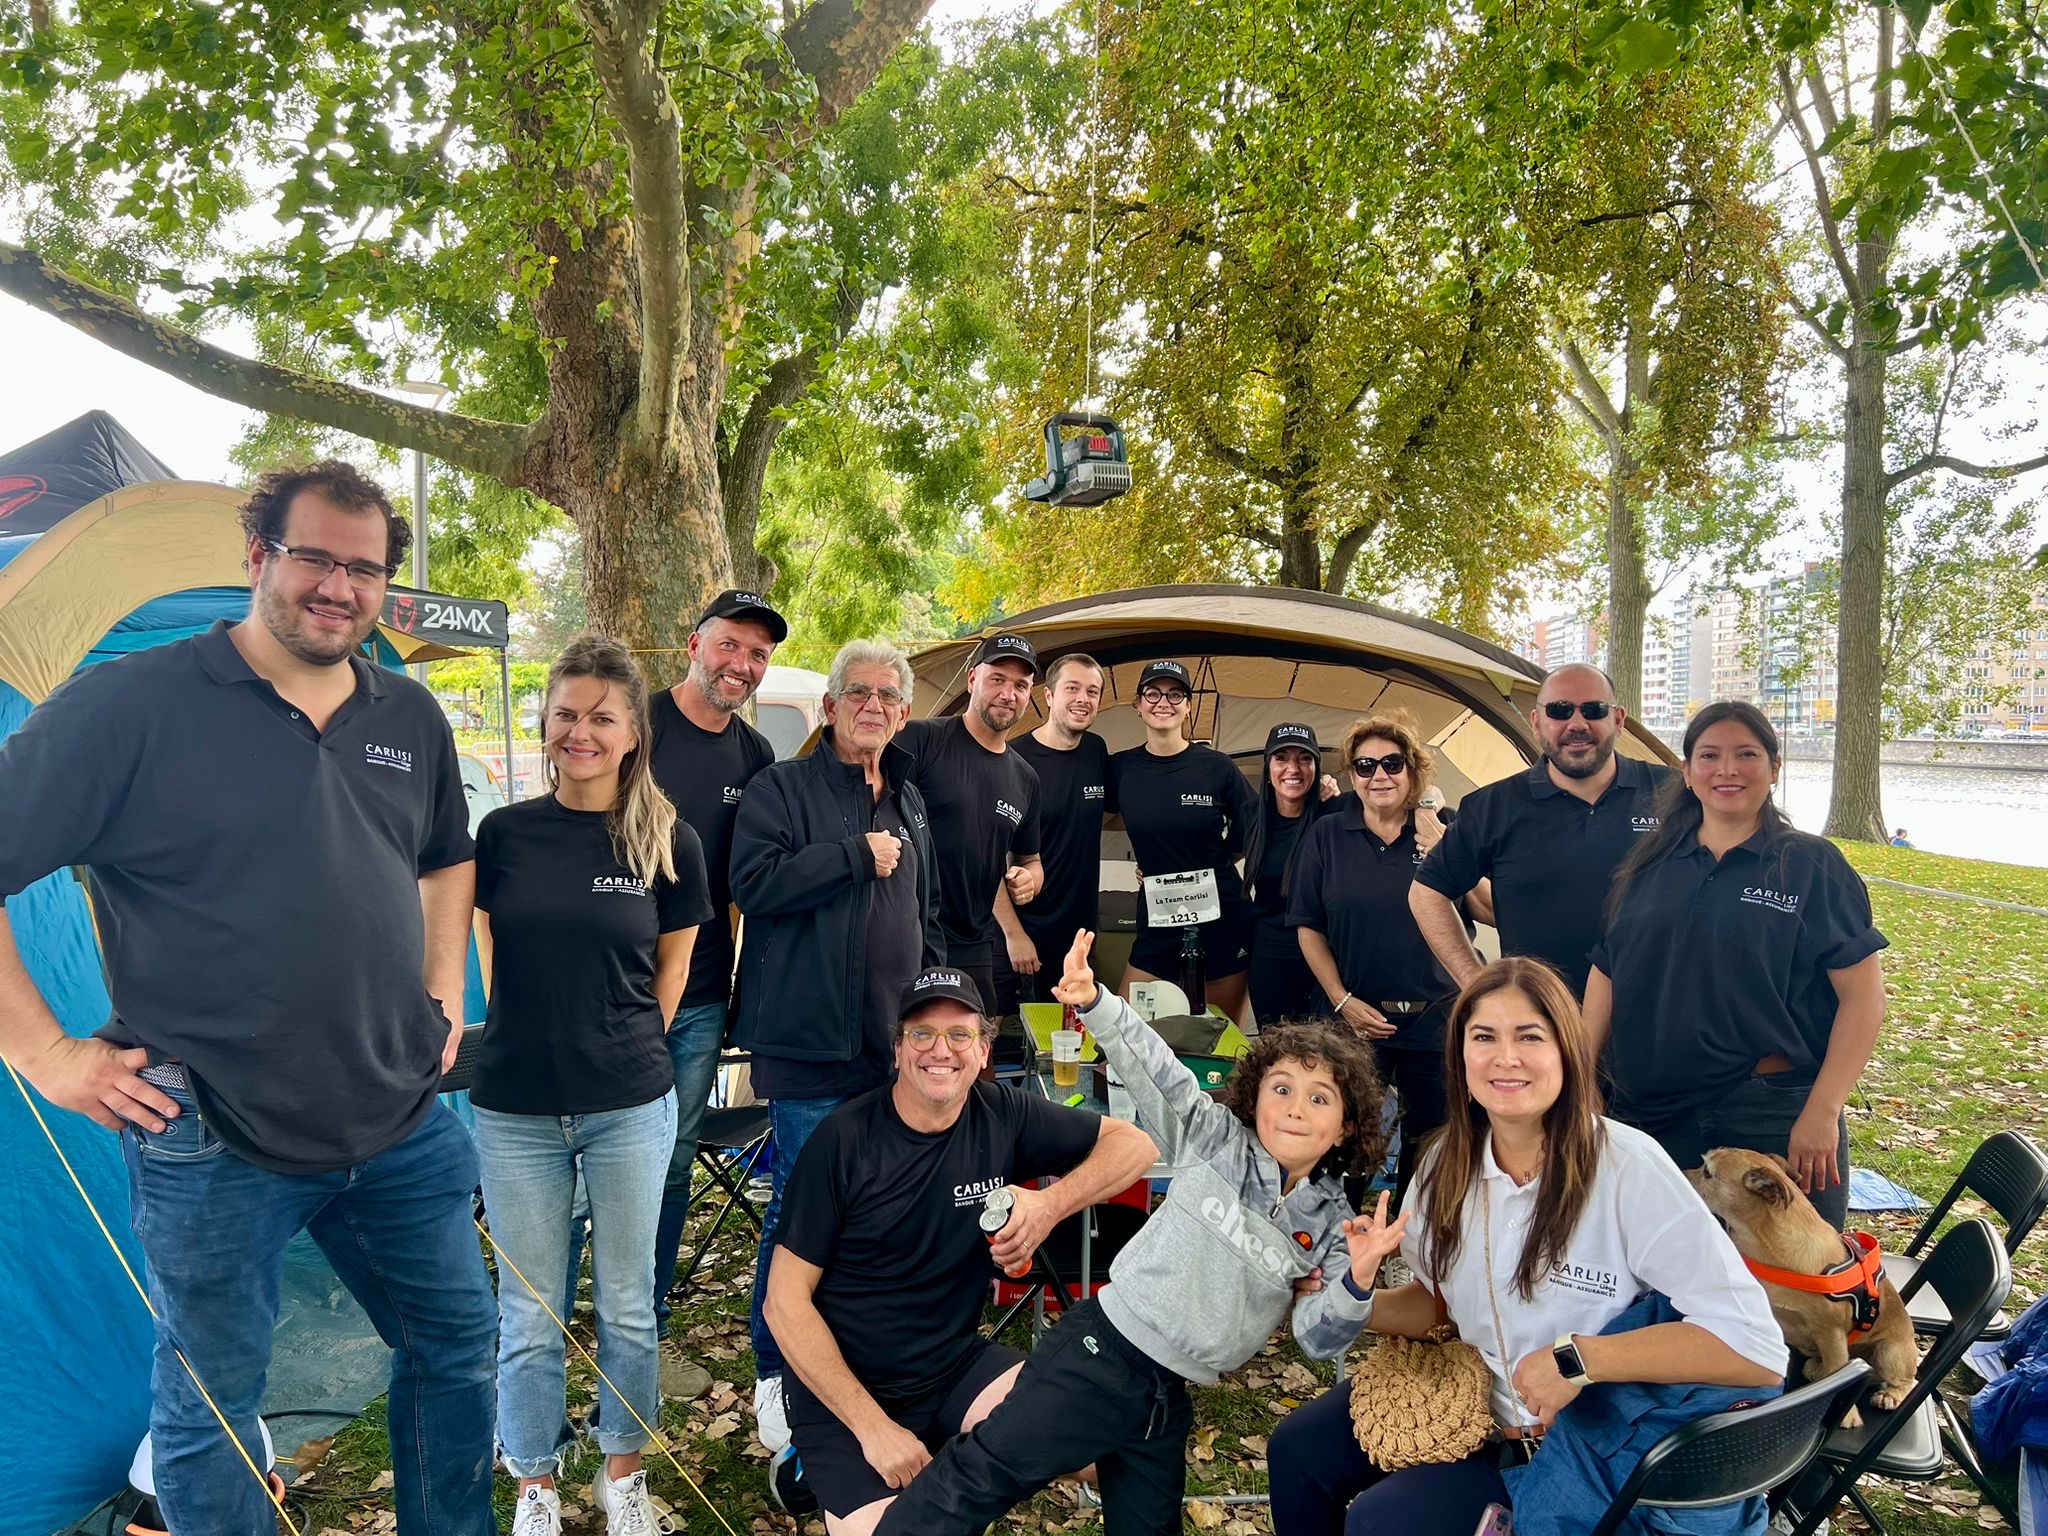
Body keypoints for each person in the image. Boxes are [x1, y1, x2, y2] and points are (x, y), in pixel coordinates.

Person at [0, 461, 496, 1536]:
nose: (338, 586)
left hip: (398, 1122)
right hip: (209, 1133)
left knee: (457, 1350)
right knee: (212, 1409)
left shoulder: (406, 715)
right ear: (258, 556)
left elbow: (448, 857)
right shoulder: (131, 704)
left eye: (363, 569)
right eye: (314, 555)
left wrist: (443, 982)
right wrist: (45, 1053)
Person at [873, 929, 1393, 1536]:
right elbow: (1161, 1071)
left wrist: (1356, 1282)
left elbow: (1316, 1338)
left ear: (1347, 1124)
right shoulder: (1217, 1141)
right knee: (978, 1478)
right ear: (1255, 1098)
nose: (1295, 1108)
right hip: (1103, 1353)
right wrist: (1097, 1002)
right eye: (1281, 1089)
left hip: (1166, 1396)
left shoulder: (1329, 1221)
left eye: (1319, 1098)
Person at [1267, 957, 1787, 1536]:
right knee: (1297, 1450)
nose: (1505, 1058)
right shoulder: (1444, 1164)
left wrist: (1579, 1360)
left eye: (1529, 1037)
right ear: (1460, 1055)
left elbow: (1757, 1350)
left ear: (1566, 1050)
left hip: (1581, 1445)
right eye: (1484, 1036)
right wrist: (1346, 1294)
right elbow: (1437, 1306)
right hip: (1467, 1403)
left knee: (1383, 1521)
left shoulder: (1628, 1168)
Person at [764, 966, 1157, 1535]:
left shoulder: (1003, 1112)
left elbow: (1136, 1145)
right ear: (898, 1049)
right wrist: (874, 1429)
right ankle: (811, 1465)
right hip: (845, 1392)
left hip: (951, 1367)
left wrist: (1046, 1206)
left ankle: (941, 1442)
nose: (939, 1050)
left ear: (983, 1049)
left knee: (1113, 1442)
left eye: (959, 1034)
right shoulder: (843, 1141)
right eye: (921, 1034)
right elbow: (783, 1304)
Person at [471, 636, 714, 1536]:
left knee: (627, 1307)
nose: (581, 730)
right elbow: (489, 943)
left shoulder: (667, 836)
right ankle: (534, 1482)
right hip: (516, 1108)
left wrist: (616, 1044)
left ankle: (623, 1475)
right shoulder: (502, 833)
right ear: (544, 723)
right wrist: (526, 1025)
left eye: (601, 717)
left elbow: (674, 970)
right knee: (530, 1314)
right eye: (567, 714)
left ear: (630, 733)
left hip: (628, 1107)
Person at [730, 638, 942, 1453]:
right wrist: (854, 858)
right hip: (807, 1045)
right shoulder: (781, 787)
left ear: (904, 712)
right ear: (829, 707)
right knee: (799, 1211)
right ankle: (776, 1371)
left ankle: (847, 1356)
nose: (875, 705)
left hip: (888, 1047)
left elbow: (921, 917)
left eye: (890, 695)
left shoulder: (910, 801)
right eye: (859, 692)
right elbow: (754, 884)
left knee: (875, 1211)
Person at [1585, 701, 1888, 1230]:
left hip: (1770, 1111)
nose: (1727, 769)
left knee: (1798, 1291)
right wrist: (1583, 1072)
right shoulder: (1650, 863)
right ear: (1687, 771)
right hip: (1651, 1109)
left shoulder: (1809, 865)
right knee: (1658, 1273)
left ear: (1774, 769)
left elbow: (1863, 998)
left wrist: (1822, 1111)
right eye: (1709, 755)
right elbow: (1607, 970)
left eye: (1746, 754)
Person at [645, 589, 783, 1335]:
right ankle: (557, 1304)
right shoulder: (636, 724)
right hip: (608, 988)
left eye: (758, 654)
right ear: (692, 644)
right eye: (730, 645)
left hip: (697, 995)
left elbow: (751, 889)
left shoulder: (755, 755)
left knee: (672, 1157)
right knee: (581, 1154)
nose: (742, 664)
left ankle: (649, 1300)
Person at [1410, 663, 1672, 995]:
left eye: (1594, 710)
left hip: (1655, 1021)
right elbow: (1427, 892)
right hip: (1541, 1025)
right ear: (1536, 722)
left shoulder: (1673, 795)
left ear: (1618, 720)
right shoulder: (1493, 807)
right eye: (1559, 711)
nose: (1576, 724)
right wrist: (1476, 984)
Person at [1290, 714, 1458, 1204]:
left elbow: (1491, 910)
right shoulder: (1327, 835)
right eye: (1365, 766)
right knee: (1344, 1139)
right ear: (1350, 776)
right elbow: (1309, 927)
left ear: (1413, 771)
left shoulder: (1443, 831)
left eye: (1391, 763)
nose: (1379, 775)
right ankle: (1334, 1243)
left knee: (1431, 1147)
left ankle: (1411, 1247)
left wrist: (1448, 853)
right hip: (1355, 1019)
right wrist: (1342, 1001)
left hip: (1435, 1020)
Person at [897, 632, 1045, 1012]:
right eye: (997, 679)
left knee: (977, 1052)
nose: (1008, 694)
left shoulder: (1025, 777)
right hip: (904, 932)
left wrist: (1029, 880)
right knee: (899, 1050)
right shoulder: (920, 740)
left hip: (973, 943)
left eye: (1020, 685)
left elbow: (1031, 859)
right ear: (972, 680)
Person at [1109, 659, 1260, 1018]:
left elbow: (1254, 825)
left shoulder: (1217, 766)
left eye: (1176, 694)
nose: (1164, 702)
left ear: (1189, 706)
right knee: (1123, 1027)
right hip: (1158, 916)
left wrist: (1212, 862)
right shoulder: (1120, 768)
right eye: (1153, 694)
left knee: (1221, 1038)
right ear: (1138, 704)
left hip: (1222, 912)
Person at [994, 652, 1114, 1012]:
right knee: (995, 1042)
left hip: (1078, 935)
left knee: (1070, 1040)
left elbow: (1102, 816)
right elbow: (985, 858)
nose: (1083, 699)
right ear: (1048, 696)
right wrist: (1015, 936)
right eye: (1072, 688)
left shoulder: (1096, 750)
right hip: (1021, 932)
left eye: (1092, 691)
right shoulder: (1012, 760)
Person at [1244, 721, 1345, 1023]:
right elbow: (1210, 851)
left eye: (1304, 758)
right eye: (1282, 758)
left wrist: (1429, 803)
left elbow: (1397, 799)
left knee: (1328, 1057)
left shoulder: (1337, 812)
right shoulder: (1251, 815)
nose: (1293, 768)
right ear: (1268, 767)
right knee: (1277, 1053)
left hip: (1328, 958)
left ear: (1316, 766)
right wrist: (1154, 871)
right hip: (1270, 957)